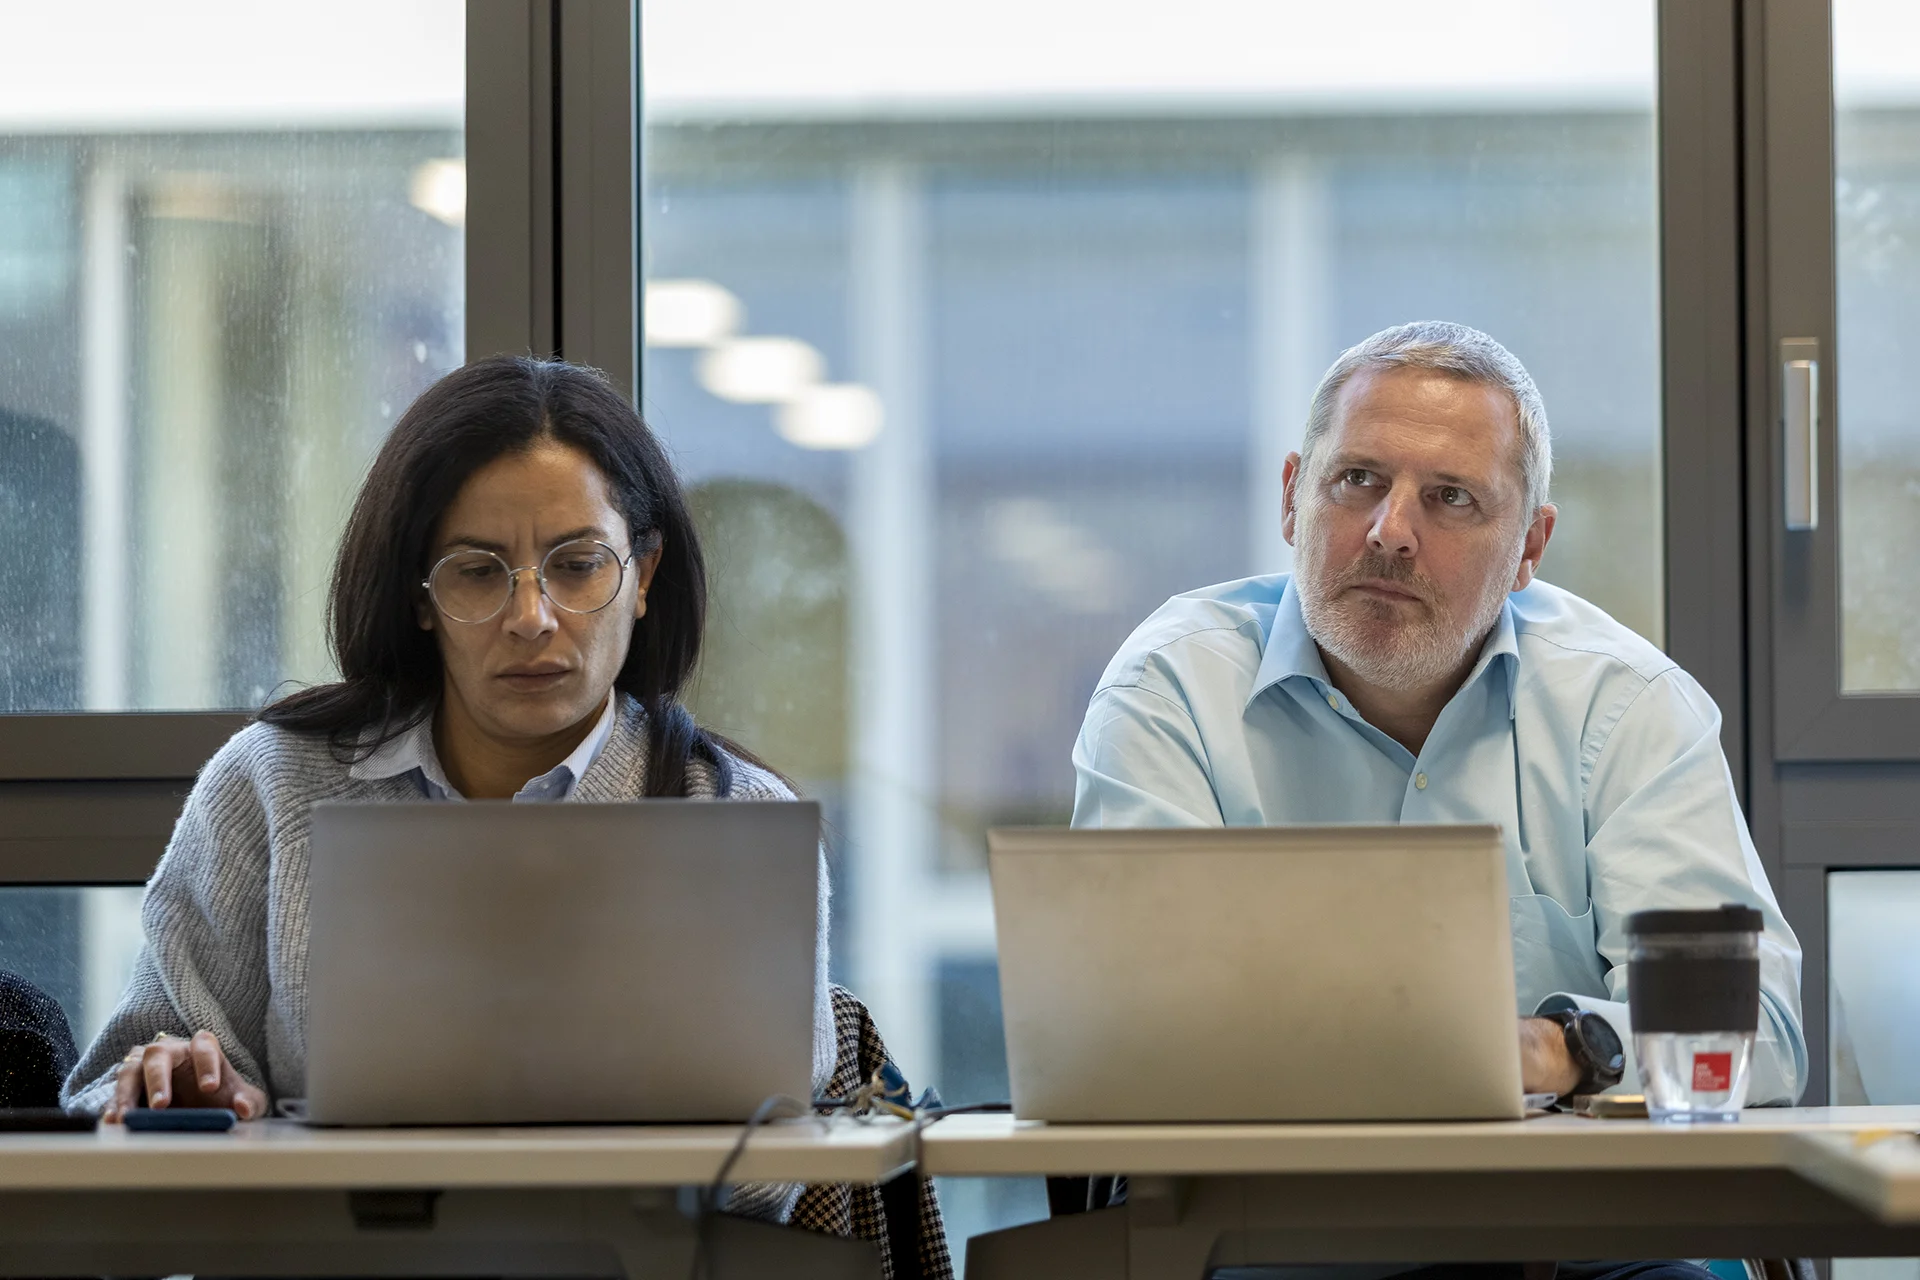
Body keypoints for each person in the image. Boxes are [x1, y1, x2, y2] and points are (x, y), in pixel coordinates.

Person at [61, 356, 951, 1274]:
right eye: (479, 573)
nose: (531, 617)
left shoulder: (729, 814)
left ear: (643, 577)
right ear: (420, 596)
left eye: (577, 566)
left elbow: (773, 1181)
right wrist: (169, 1090)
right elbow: (104, 1098)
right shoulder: (274, 784)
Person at [1072, 321, 1806, 1110]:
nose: (1390, 532)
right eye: (1357, 479)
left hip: (1574, 1224)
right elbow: (1122, 1030)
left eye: (1450, 498)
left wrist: (1558, 1048)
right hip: (1264, 1222)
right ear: (1292, 498)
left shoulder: (1626, 709)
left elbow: (1752, 1033)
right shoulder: (1172, 691)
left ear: (1531, 544)